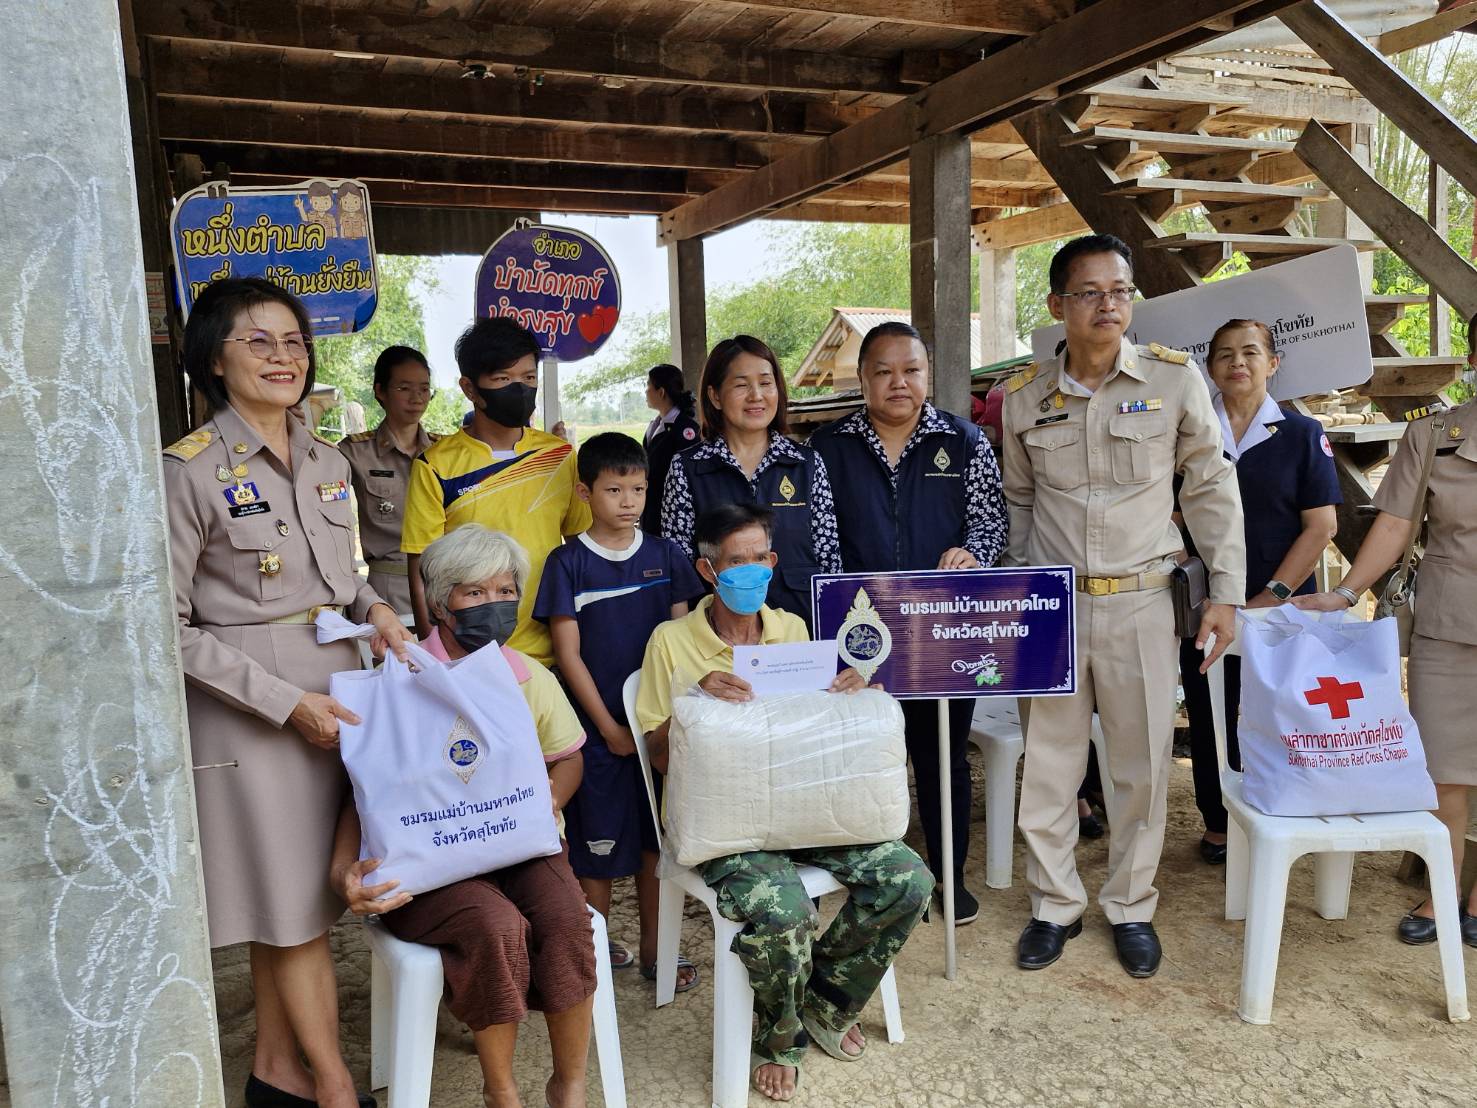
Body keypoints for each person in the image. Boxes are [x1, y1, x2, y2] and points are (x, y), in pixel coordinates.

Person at [163, 277, 413, 1108]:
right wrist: (283, 704)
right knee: (290, 911)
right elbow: (165, 627)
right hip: (254, 720)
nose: (284, 357)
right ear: (214, 359)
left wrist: (379, 613)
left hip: (339, 699)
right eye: (259, 341)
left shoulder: (328, 460)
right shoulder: (188, 472)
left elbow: (343, 583)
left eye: (295, 341)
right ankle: (335, 1088)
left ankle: (274, 1073)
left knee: (296, 905)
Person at [1000, 234, 1245, 978]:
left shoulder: (1173, 379)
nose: (1108, 305)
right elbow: (1018, 503)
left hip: (1141, 602)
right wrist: (1020, 601)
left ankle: (1131, 905)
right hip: (1054, 608)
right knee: (1049, 766)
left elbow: (1210, 486)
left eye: (1119, 291)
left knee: (1140, 766)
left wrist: (1226, 592)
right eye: (1089, 292)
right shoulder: (1023, 398)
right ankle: (1054, 904)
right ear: (1057, 305)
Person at [634, 503, 932, 1103]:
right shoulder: (671, 642)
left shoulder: (794, 632)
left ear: (773, 561)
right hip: (725, 827)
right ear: (708, 570)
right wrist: (695, 703)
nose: (751, 571)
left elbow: (819, 735)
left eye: (760, 558)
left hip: (807, 813)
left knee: (908, 880)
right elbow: (658, 757)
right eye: (735, 561)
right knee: (786, 908)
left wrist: (850, 693)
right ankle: (779, 1037)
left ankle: (826, 1001)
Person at [334, 525, 596, 1108]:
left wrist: (548, 799)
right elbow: (363, 791)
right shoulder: (396, 682)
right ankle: (501, 1092)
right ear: (438, 603)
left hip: (520, 847)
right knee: (494, 926)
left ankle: (569, 1086)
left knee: (565, 920)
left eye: (505, 591)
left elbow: (569, 758)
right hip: (435, 865)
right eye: (474, 593)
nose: (493, 604)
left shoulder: (528, 675)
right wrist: (341, 872)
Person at [809, 320, 1007, 925]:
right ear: (863, 378)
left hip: (942, 633)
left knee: (943, 755)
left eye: (911, 370)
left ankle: (950, 876)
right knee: (866, 756)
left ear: (928, 375)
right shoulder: (828, 447)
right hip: (859, 633)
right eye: (884, 371)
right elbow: (820, 540)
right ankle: (881, 880)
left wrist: (974, 553)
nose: (899, 382)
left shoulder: (965, 441)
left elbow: (991, 522)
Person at [1296, 322, 1477, 947]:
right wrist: (1346, 593)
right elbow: (1396, 525)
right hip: (1449, 628)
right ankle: (1442, 889)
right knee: (1444, 770)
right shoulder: (1435, 436)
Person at [533, 432, 704, 990]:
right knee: (596, 850)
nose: (628, 501)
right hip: (595, 734)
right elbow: (568, 655)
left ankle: (658, 950)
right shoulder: (567, 563)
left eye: (638, 489)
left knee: (658, 843)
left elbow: (681, 645)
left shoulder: (666, 555)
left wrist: (663, 727)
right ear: (585, 492)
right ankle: (594, 955)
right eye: (614, 489)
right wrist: (606, 728)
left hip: (657, 731)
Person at [1177, 320, 1340, 864]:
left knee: (1280, 712)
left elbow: (1321, 526)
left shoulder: (1301, 434)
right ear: (1210, 369)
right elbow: (1171, 516)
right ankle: (1218, 821)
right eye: (1224, 354)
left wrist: (1271, 596)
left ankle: (1282, 815)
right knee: (1211, 712)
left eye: (1250, 352)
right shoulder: (1191, 433)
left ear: (1273, 363)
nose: (1237, 363)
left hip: (1283, 603)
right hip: (1206, 604)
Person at [402, 317, 591, 665]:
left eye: (528, 378)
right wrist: (437, 656)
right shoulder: (435, 466)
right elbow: (421, 568)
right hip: (471, 656)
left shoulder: (560, 455)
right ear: (470, 388)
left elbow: (581, 546)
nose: (519, 389)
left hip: (553, 652)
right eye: (503, 379)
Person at [661, 336, 842, 623]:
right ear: (715, 396)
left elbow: (829, 560)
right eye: (741, 385)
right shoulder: (687, 468)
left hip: (798, 630)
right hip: (717, 633)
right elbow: (679, 566)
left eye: (766, 383)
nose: (756, 395)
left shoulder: (806, 464)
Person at [339, 345, 440, 616]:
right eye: (404, 388)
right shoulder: (355, 452)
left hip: (443, 582)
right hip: (388, 587)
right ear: (380, 391)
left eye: (424, 389)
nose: (417, 398)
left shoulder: (445, 452)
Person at [641, 362, 701, 534]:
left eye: (648, 386)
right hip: (651, 508)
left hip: (673, 513)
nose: (646, 391)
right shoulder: (655, 425)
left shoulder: (685, 429)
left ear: (661, 392)